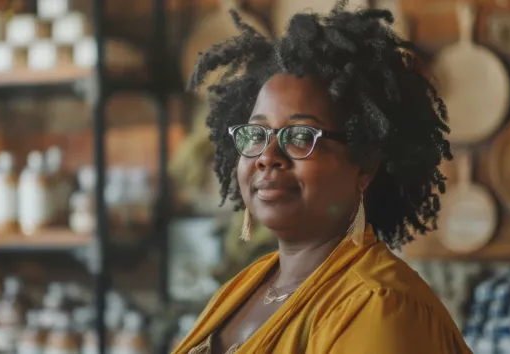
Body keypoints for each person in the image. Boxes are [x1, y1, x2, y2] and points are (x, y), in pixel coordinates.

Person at [172, 1, 472, 353]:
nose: (267, 156)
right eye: (257, 135)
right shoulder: (243, 288)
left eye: (300, 137)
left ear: (365, 165)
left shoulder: (378, 304)